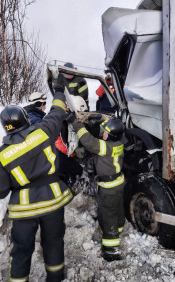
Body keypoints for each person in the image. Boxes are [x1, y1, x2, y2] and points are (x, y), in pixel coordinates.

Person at [0, 74, 73, 282]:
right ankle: (55, 277)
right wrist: (59, 90)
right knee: (53, 243)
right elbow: (57, 112)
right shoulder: (43, 132)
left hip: (24, 211)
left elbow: (2, 191)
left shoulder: (2, 155)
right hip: (53, 203)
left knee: (21, 251)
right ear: (25, 118)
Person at [66, 113, 126, 262]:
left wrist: (75, 122)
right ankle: (119, 228)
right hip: (118, 182)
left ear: (110, 136)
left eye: (105, 133)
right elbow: (104, 135)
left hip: (109, 187)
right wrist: (96, 124)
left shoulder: (105, 147)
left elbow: (88, 141)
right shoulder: (118, 143)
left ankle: (111, 249)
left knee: (108, 215)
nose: (103, 134)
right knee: (118, 209)